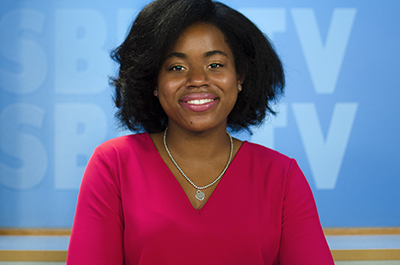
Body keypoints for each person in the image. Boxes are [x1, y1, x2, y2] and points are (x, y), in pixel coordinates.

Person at [67, 0, 334, 264]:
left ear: (239, 77)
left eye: (215, 65)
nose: (197, 79)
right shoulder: (114, 165)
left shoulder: (281, 177)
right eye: (177, 68)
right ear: (154, 82)